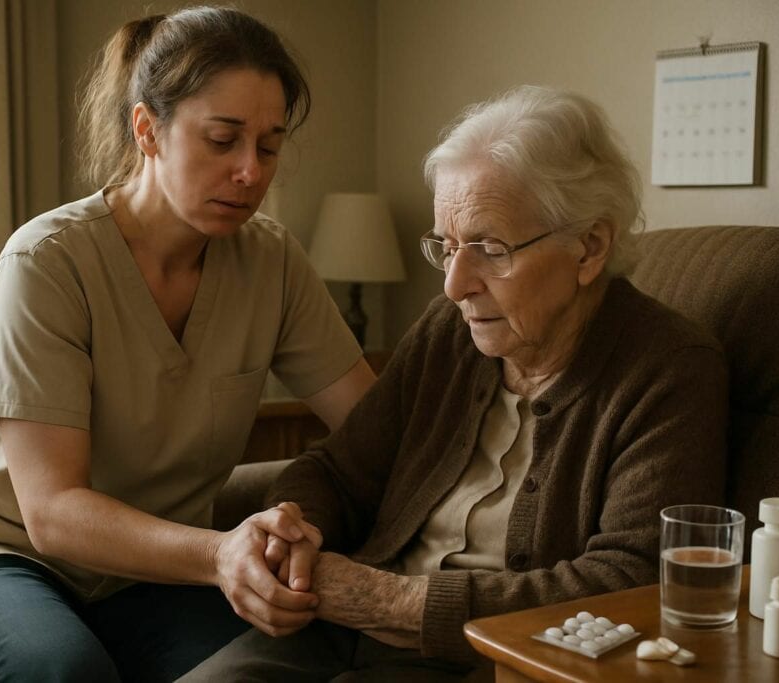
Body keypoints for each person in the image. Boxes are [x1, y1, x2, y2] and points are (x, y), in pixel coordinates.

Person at [0, 7, 376, 682]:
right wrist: (218, 555)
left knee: (289, 654)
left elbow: (376, 429)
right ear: (148, 130)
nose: (249, 172)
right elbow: (54, 512)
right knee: (63, 670)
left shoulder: (274, 261)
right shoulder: (47, 261)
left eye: (268, 146)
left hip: (135, 576)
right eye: (222, 139)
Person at [182, 85, 729, 681]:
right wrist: (294, 532)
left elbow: (631, 576)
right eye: (446, 247)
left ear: (589, 246)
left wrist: (392, 601)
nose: (455, 285)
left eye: (489, 249)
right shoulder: (452, 333)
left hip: (490, 658)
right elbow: (338, 471)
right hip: (339, 628)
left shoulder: (668, 369)